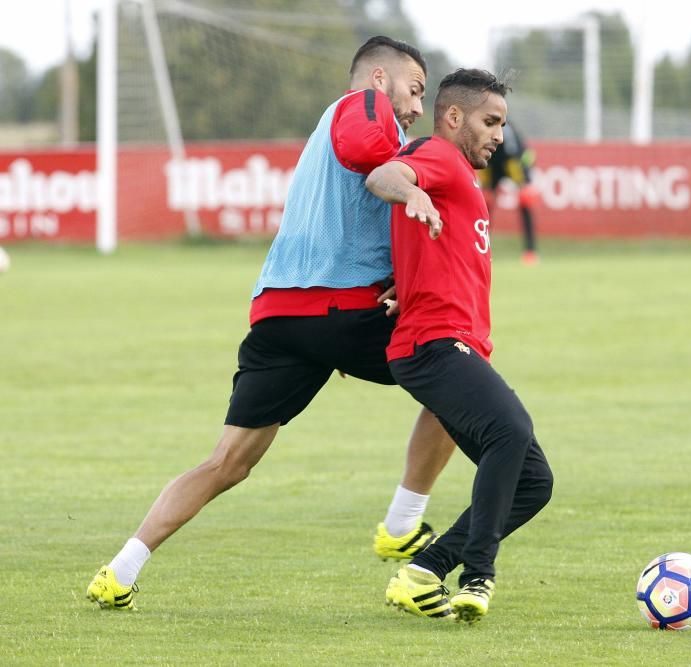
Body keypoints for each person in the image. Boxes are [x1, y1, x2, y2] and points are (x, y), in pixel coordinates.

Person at [86, 36, 457, 611]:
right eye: (414, 89)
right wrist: (408, 182)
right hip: (341, 309)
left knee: (227, 462)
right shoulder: (364, 107)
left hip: (280, 315)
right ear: (379, 79)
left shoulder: (338, 131)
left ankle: (120, 569)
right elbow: (367, 155)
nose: (414, 105)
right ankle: (403, 525)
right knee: (460, 373)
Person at [365, 68, 554, 624]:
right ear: (453, 118)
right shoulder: (439, 157)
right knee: (511, 429)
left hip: (455, 345)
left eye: (503, 124)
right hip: (434, 344)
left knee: (533, 482)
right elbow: (384, 175)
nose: (498, 134)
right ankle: (478, 574)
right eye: (489, 121)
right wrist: (412, 195)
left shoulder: (466, 181)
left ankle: (424, 571)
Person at [479, 119, 541, 264]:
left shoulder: (507, 132)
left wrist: (523, 184)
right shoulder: (479, 129)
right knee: (484, 204)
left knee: (525, 200)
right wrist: (486, 187)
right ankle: (481, 248)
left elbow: (516, 158)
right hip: (492, 163)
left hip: (513, 161)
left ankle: (530, 251)